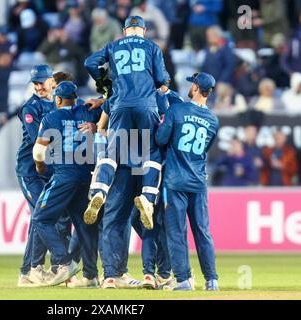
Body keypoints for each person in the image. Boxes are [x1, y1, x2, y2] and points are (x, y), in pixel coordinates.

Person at [84, 16, 170, 289]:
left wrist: (106, 80)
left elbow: (89, 63)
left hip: (120, 119)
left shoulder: (112, 47)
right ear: (143, 31)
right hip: (145, 111)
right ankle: (148, 195)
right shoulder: (152, 48)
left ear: (123, 31)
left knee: (113, 214)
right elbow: (162, 81)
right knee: (152, 152)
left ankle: (111, 275)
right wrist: (159, 87)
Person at [31, 81, 101, 286]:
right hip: (86, 175)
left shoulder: (51, 117)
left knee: (41, 218)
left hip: (65, 174)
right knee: (85, 225)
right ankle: (91, 276)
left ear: (58, 99)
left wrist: (40, 168)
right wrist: (100, 102)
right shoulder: (88, 112)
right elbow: (114, 105)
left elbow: (38, 151)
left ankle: (64, 262)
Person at [156, 72, 220, 291]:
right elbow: (204, 149)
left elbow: (160, 139)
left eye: (192, 84)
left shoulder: (177, 110)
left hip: (175, 180)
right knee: (202, 231)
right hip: (198, 181)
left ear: (195, 88)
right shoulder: (213, 119)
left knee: (176, 231)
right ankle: (211, 280)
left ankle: (183, 279)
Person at [15, 65, 69, 287]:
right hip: (30, 171)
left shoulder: (57, 105)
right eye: (35, 83)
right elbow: (40, 139)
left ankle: (28, 272)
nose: (38, 86)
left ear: (52, 82)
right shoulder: (31, 108)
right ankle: (34, 269)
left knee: (40, 219)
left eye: (41, 82)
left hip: (48, 172)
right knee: (43, 215)